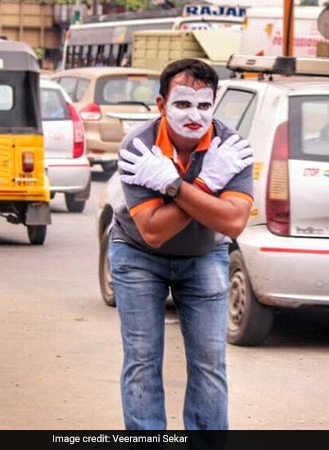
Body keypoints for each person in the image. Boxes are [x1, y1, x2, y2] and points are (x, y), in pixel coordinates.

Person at [111, 58, 254, 430]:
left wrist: (175, 186)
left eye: (204, 105)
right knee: (142, 358)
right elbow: (154, 231)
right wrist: (206, 190)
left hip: (204, 254)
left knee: (209, 361)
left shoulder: (231, 148)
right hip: (138, 254)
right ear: (161, 105)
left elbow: (233, 222)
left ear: (215, 103)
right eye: (182, 104)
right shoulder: (138, 147)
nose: (195, 115)